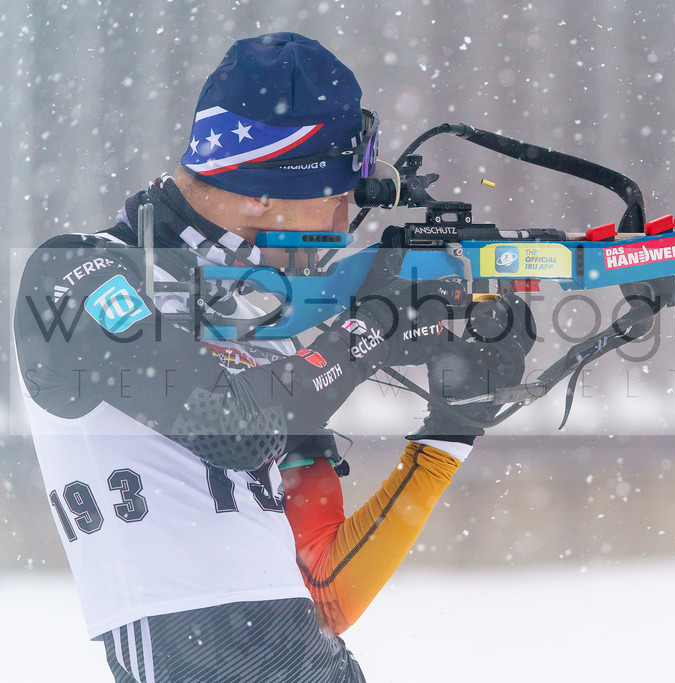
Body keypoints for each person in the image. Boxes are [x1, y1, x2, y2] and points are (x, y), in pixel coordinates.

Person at [14, 32, 527, 682]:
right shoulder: (76, 272)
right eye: (340, 193)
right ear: (259, 188)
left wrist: (450, 432)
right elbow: (232, 427)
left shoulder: (272, 314)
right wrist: (372, 324)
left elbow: (325, 588)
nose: (345, 223)